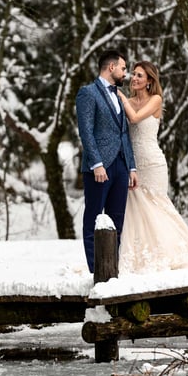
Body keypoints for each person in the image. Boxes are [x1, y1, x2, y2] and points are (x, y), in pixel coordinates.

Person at [116, 61, 188, 274]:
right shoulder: (128, 100)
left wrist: (121, 98)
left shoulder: (155, 100)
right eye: (133, 74)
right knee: (136, 212)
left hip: (153, 164)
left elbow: (134, 118)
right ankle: (142, 256)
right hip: (133, 164)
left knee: (157, 209)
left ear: (149, 81)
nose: (134, 78)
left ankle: (172, 254)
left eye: (139, 75)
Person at [76, 49, 139, 273]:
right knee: (93, 217)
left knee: (117, 221)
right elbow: (86, 132)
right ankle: (96, 270)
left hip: (121, 165)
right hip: (99, 168)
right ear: (111, 67)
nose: (126, 73)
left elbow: (124, 133)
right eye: (123, 68)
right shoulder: (87, 93)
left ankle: (112, 268)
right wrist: (97, 164)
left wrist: (131, 166)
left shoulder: (119, 96)